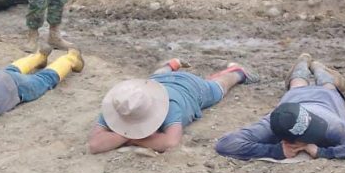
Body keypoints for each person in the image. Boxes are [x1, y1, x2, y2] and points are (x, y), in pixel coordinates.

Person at [215, 53, 345, 160]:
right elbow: (226, 144)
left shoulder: (331, 125)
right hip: (294, 98)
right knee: (297, 86)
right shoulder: (272, 123)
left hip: (327, 100)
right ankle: (306, 66)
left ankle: (315, 68)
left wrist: (323, 152)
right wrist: (275, 150)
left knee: (328, 86)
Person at [88, 59, 258, 154]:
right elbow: (94, 145)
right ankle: (171, 64)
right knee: (157, 76)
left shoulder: (171, 107)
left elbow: (170, 142)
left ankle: (238, 72)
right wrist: (131, 134)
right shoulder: (122, 102)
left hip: (192, 88)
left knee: (219, 87)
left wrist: (128, 135)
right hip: (157, 83)